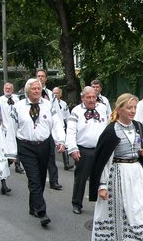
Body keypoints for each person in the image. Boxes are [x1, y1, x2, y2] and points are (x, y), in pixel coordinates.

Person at [88, 93, 143, 241]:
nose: (132, 111)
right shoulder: (111, 130)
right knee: (118, 210)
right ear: (119, 109)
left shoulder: (138, 126)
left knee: (140, 209)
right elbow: (104, 160)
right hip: (118, 174)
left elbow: (140, 145)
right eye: (129, 107)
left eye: (134, 107)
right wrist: (101, 185)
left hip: (136, 173)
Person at [11, 78, 66, 227]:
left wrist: (60, 141)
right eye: (34, 88)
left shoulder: (48, 105)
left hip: (44, 146)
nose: (36, 91)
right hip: (26, 146)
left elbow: (57, 124)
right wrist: (11, 151)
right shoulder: (18, 107)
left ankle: (33, 206)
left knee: (41, 178)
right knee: (34, 179)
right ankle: (42, 212)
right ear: (27, 90)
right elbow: (11, 129)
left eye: (38, 88)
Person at [66, 86, 108, 214]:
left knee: (102, 177)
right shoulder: (76, 111)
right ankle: (77, 203)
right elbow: (71, 131)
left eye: (93, 97)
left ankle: (99, 204)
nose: (91, 100)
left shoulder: (103, 108)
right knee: (81, 178)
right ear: (82, 97)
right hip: (83, 149)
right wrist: (73, 148)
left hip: (100, 149)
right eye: (88, 97)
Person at [36, 69, 62, 190]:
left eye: (42, 76)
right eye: (38, 76)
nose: (40, 78)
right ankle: (37, 179)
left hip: (49, 128)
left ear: (46, 79)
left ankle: (53, 180)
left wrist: (60, 130)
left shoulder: (51, 94)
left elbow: (56, 112)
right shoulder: (30, 92)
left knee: (51, 156)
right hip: (36, 128)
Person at [0, 82, 25, 174]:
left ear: (12, 89)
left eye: (9, 88)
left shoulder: (16, 99)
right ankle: (7, 163)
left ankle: (18, 165)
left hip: (16, 127)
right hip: (5, 127)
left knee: (17, 145)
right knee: (6, 146)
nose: (7, 90)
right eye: (6, 88)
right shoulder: (0, 100)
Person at [52, 87, 73, 170]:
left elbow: (67, 116)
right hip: (52, 127)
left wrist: (70, 126)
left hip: (61, 126)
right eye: (54, 93)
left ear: (60, 94)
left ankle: (66, 164)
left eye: (57, 93)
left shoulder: (64, 104)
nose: (56, 95)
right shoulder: (50, 103)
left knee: (64, 144)